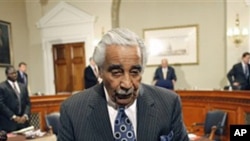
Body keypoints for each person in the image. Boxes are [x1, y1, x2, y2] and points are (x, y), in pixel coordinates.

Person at [57, 28, 189, 141]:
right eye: (116, 72)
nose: (127, 84)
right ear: (100, 71)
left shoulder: (168, 103)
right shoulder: (73, 110)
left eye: (135, 72)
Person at [0, 66, 31, 133]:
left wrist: (25, 115)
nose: (14, 75)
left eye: (15, 73)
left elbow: (27, 103)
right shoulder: (2, 87)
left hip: (23, 123)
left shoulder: (23, 86)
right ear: (7, 75)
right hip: (9, 123)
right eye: (12, 73)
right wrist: (14, 117)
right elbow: (1, 104)